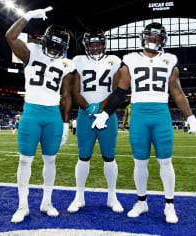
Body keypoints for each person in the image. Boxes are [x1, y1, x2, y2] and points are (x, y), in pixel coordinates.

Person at [91, 22, 196, 224]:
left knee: (165, 162)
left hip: (161, 114)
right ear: (143, 38)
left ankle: (169, 205)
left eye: (157, 38)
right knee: (140, 162)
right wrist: (105, 114)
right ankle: (141, 202)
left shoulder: (170, 60)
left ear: (163, 41)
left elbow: (177, 92)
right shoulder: (131, 60)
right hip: (139, 115)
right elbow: (120, 92)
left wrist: (190, 117)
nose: (153, 40)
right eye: (150, 37)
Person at [6, 7, 75, 223]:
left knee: (50, 160)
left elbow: (66, 96)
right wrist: (27, 16)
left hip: (53, 116)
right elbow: (10, 36)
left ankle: (47, 202)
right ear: (45, 40)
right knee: (25, 160)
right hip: (32, 112)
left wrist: (65, 124)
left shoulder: (67, 64)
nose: (54, 50)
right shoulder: (31, 52)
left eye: (58, 46)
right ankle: (22, 205)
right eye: (52, 44)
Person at [67, 29, 123, 214]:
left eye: (99, 43)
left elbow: (116, 91)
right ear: (86, 45)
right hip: (86, 115)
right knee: (84, 156)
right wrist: (87, 107)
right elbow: (75, 92)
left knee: (109, 156)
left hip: (108, 115)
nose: (96, 47)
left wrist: (102, 108)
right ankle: (79, 196)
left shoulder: (114, 60)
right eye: (92, 44)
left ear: (104, 43)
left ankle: (112, 197)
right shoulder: (78, 61)